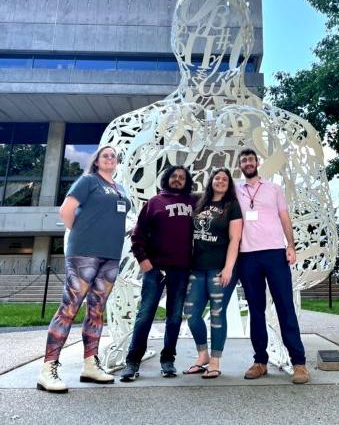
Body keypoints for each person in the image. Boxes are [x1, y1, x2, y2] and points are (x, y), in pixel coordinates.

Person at [37, 145, 131, 393]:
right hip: (84, 253)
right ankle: (48, 369)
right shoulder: (88, 181)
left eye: (113, 156)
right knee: (69, 308)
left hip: (110, 256)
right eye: (105, 155)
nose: (110, 158)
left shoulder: (120, 189)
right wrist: (80, 234)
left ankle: (90, 364)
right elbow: (66, 211)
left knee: (97, 311)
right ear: (97, 161)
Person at [236, 148, 310, 384]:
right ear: (240, 165)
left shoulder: (274, 189)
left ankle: (299, 363)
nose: (248, 163)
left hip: (274, 254)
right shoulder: (235, 190)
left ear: (257, 163)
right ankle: (260, 361)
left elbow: (284, 217)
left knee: (285, 307)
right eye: (244, 160)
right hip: (247, 256)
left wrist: (291, 245)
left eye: (251, 159)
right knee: (255, 311)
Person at [120, 165, 195, 381]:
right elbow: (138, 233)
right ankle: (133, 361)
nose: (178, 179)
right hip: (156, 270)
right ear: (167, 179)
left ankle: (168, 360)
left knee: (174, 317)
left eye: (182, 177)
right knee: (145, 315)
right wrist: (143, 260)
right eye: (174, 176)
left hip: (181, 270)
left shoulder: (192, 203)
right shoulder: (155, 202)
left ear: (186, 181)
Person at [183, 168, 242, 378]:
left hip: (220, 268)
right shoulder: (199, 202)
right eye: (217, 178)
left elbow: (235, 239)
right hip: (197, 267)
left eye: (225, 179)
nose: (220, 181)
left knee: (217, 314)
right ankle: (203, 355)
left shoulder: (232, 206)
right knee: (191, 313)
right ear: (211, 181)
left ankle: (215, 361)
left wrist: (228, 268)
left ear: (229, 184)